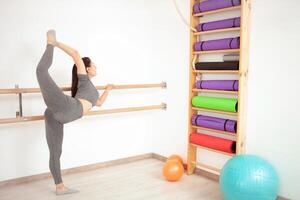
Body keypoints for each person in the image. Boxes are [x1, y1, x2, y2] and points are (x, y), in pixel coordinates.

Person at [36, 30, 113, 195]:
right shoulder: (84, 79)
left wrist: (108, 90)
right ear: (87, 68)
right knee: (41, 72)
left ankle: (60, 187)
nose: (96, 67)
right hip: (69, 107)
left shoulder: (92, 90)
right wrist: (56, 43)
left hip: (59, 116)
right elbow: (76, 54)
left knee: (56, 152)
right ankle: (49, 43)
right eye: (94, 65)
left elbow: (98, 103)